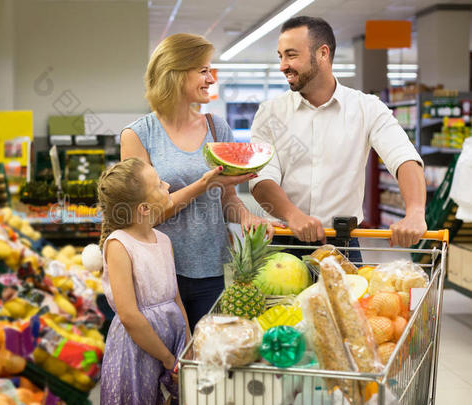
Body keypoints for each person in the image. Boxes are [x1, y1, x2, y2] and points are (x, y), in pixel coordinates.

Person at [120, 33, 274, 331]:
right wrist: (202, 185)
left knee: (207, 358)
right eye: (203, 70)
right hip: (159, 274)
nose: (210, 79)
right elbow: (145, 215)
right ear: (176, 73)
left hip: (211, 271)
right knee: (167, 364)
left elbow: (228, 198)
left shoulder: (217, 127)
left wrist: (246, 217)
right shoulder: (138, 135)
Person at [250, 16, 427, 261]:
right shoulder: (270, 113)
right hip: (282, 243)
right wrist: (293, 215)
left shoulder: (367, 108)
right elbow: (261, 179)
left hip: (342, 245)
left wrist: (415, 212)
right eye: (280, 56)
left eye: (291, 55)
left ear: (323, 53)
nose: (282, 65)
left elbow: (404, 157)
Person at [98, 158, 188, 404]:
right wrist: (167, 359)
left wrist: (186, 347)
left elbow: (175, 297)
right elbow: (129, 315)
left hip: (173, 344)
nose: (167, 185)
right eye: (159, 185)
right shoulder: (119, 245)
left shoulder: (163, 240)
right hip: (135, 351)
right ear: (144, 209)